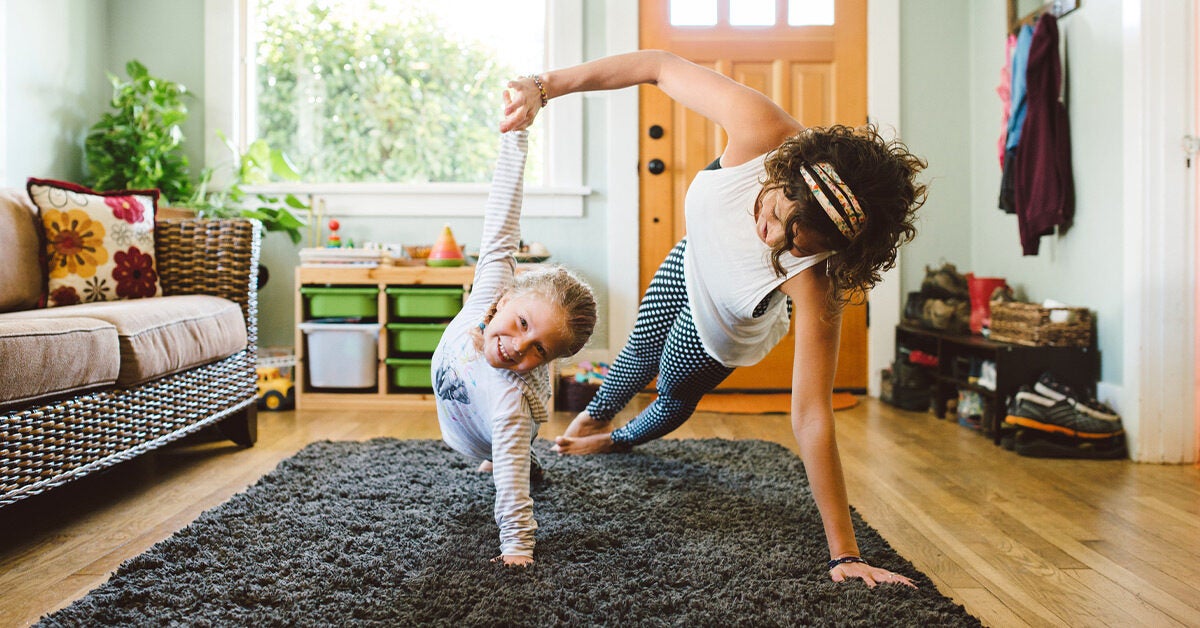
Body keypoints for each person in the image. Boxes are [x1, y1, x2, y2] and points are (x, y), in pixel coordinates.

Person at [501, 51, 927, 587]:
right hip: (692, 258)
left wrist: (844, 554)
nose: (771, 238)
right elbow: (656, 65)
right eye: (775, 215)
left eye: (794, 245)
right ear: (782, 172)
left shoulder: (818, 282)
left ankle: (620, 438)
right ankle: (596, 416)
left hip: (723, 324)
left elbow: (813, 413)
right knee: (636, 351)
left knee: (673, 391)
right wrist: (546, 85)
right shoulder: (763, 131)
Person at [431, 126, 597, 567]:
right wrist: (515, 138)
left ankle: (526, 461)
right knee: (511, 454)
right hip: (464, 420)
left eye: (538, 350)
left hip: (489, 435)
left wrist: (517, 548)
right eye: (521, 323)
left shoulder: (508, 404)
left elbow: (511, 495)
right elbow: (502, 221)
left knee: (510, 463)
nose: (516, 346)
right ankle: (523, 460)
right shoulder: (489, 293)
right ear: (505, 297)